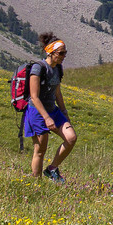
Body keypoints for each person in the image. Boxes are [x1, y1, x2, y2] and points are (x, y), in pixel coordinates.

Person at [23, 33, 76, 183]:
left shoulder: (58, 68)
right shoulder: (38, 68)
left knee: (71, 138)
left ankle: (51, 169)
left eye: (65, 52)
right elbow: (34, 97)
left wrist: (64, 112)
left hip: (53, 110)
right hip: (37, 112)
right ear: (50, 52)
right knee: (40, 149)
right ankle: (37, 182)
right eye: (61, 53)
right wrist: (46, 118)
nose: (64, 56)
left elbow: (57, 93)